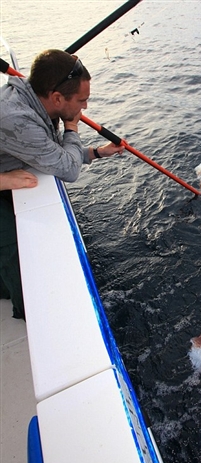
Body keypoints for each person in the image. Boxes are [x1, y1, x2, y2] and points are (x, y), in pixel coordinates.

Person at [0, 49, 124, 319]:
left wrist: (96, 153)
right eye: (82, 100)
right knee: (16, 258)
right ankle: (34, 317)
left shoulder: (35, 104)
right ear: (57, 97)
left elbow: (53, 154)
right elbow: (67, 169)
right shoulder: (17, 118)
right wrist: (72, 128)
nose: (85, 108)